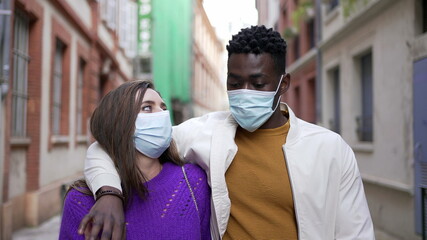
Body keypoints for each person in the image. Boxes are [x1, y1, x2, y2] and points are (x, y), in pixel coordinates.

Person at [81, 26, 375, 239]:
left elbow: (355, 233)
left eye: (258, 84)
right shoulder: (205, 132)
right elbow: (108, 145)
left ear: (283, 84)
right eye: (234, 83)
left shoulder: (329, 149)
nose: (244, 93)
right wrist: (109, 194)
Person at [59, 81, 211, 239]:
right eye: (147, 107)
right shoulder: (80, 200)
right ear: (120, 123)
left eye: (163, 108)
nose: (162, 114)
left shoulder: (192, 181)